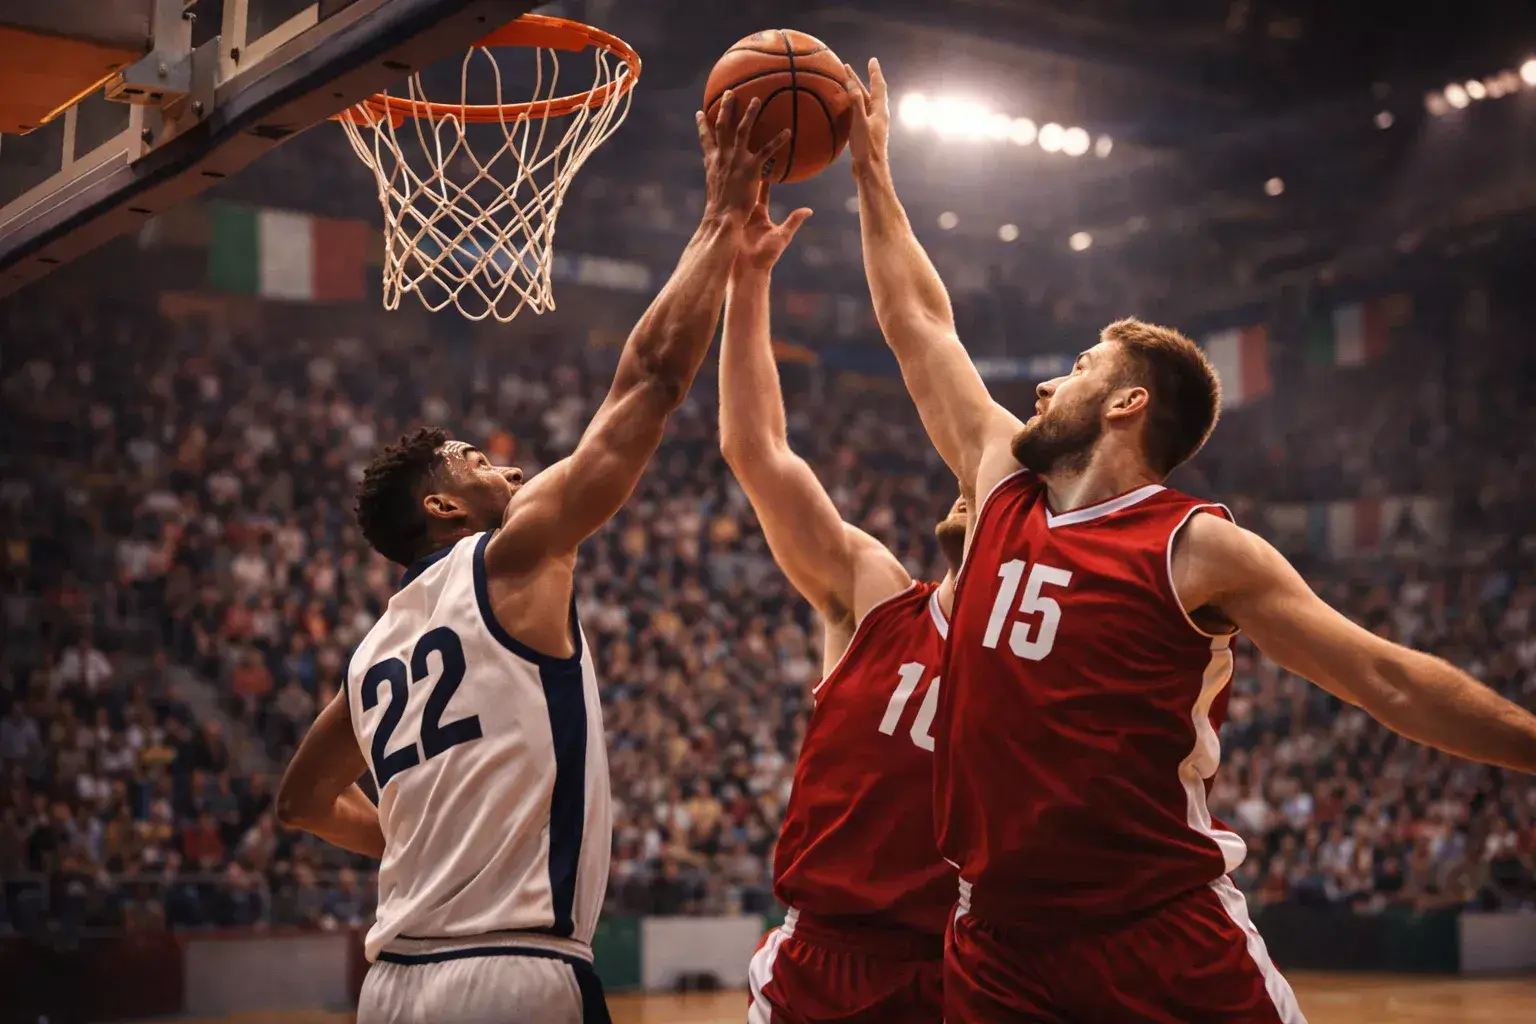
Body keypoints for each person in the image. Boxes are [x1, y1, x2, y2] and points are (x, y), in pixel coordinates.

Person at [842, 57, 1536, 1024]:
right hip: (995, 941)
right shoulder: (1001, 484)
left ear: (1128, 403)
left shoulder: (1196, 547)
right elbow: (918, 322)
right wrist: (874, 172)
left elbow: (1387, 680)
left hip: (1157, 937)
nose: (1045, 386)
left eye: (1080, 366)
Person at [273, 92, 790, 1024]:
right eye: (477, 459)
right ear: (441, 505)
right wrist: (718, 218)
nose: (506, 463)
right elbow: (651, 382)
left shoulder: (372, 655)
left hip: (390, 989)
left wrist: (417, 837)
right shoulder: (510, 558)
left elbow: (302, 800)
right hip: (513, 972)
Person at [720, 185, 964, 1024]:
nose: (969, 491)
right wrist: (747, 281)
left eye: (994, 484)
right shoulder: (877, 593)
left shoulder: (1046, 653)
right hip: (822, 961)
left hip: (965, 968)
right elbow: (758, 452)